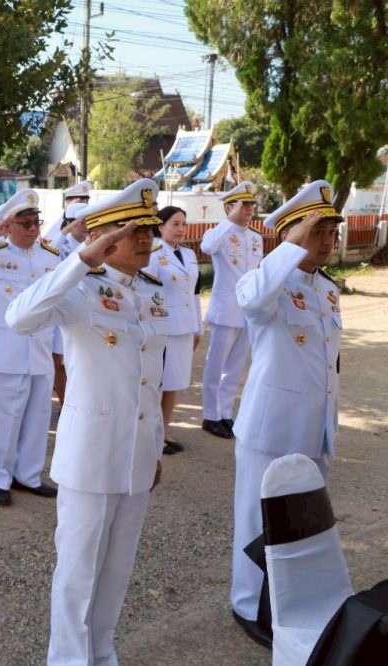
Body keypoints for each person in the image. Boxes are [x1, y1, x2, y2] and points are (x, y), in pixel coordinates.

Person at [6, 178, 166, 665]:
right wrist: (79, 260)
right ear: (102, 238)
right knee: (78, 574)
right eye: (132, 230)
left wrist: (155, 446)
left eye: (149, 229)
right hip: (91, 454)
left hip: (136, 453)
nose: (146, 239)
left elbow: (150, 381)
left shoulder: (150, 292)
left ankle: (101, 653)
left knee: (117, 570)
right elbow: (18, 318)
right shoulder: (78, 288)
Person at [229, 181, 342, 648]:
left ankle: (288, 604)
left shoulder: (326, 289)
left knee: (301, 521)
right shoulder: (266, 284)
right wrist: (291, 247)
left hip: (314, 426)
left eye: (331, 230)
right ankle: (246, 604)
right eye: (318, 230)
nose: (328, 239)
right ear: (291, 235)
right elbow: (252, 300)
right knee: (257, 521)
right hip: (271, 428)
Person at [0, 189, 62, 506]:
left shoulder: (51, 257)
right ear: (9, 225)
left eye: (36, 222)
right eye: (25, 223)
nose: (32, 229)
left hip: (39, 349)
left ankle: (28, 475)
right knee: (6, 419)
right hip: (5, 352)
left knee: (38, 417)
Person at [200, 181, 262, 439]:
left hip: (248, 311)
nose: (249, 209)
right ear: (229, 207)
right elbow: (207, 248)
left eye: (251, 204)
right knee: (216, 366)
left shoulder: (256, 237)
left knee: (234, 368)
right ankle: (210, 415)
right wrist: (229, 220)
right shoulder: (217, 233)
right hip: (225, 310)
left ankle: (224, 413)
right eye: (243, 204)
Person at [144, 206, 202, 455]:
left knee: (174, 382)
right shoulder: (154, 253)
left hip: (185, 326)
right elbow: (147, 293)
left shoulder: (188, 253)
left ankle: (165, 431)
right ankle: (151, 434)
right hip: (163, 327)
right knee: (157, 383)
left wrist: (198, 327)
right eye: (175, 224)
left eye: (183, 224)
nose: (181, 229)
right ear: (161, 226)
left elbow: (194, 293)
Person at [42, 202, 89, 403]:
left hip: (86, 304)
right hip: (63, 304)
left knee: (81, 359)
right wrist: (64, 232)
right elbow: (48, 252)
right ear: (70, 222)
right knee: (60, 360)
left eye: (88, 221)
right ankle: (63, 403)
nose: (85, 225)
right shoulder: (62, 244)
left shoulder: (91, 242)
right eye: (81, 221)